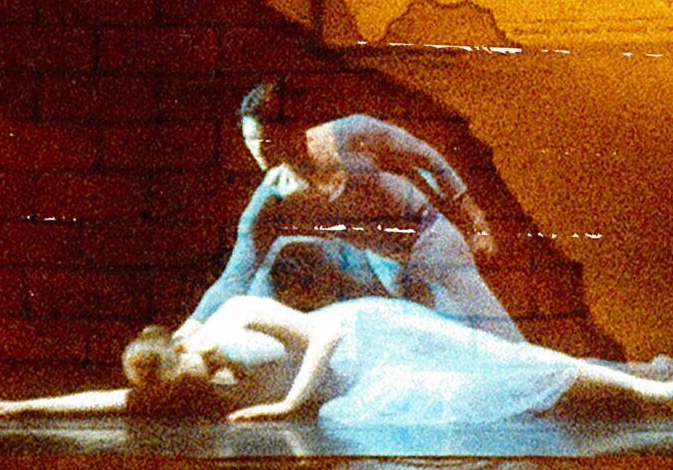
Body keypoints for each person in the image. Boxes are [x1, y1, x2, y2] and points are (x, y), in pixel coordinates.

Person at [0, 294, 673, 426]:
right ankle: (623, 396)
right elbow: (115, 401)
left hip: (368, 338)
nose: (210, 382)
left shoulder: (235, 317)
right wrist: (23, 406)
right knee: (486, 394)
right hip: (362, 387)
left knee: (507, 359)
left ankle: (659, 395)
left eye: (197, 370)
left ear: (184, 348)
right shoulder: (173, 380)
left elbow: (320, 338)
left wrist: (287, 405)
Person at [178, 80, 516, 345]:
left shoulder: (354, 133)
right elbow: (235, 276)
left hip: (433, 243)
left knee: (499, 338)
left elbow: (429, 160)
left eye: (265, 139)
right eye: (249, 140)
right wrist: (190, 328)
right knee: (451, 350)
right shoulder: (271, 200)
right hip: (390, 267)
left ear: (292, 130)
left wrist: (477, 224)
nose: (256, 149)